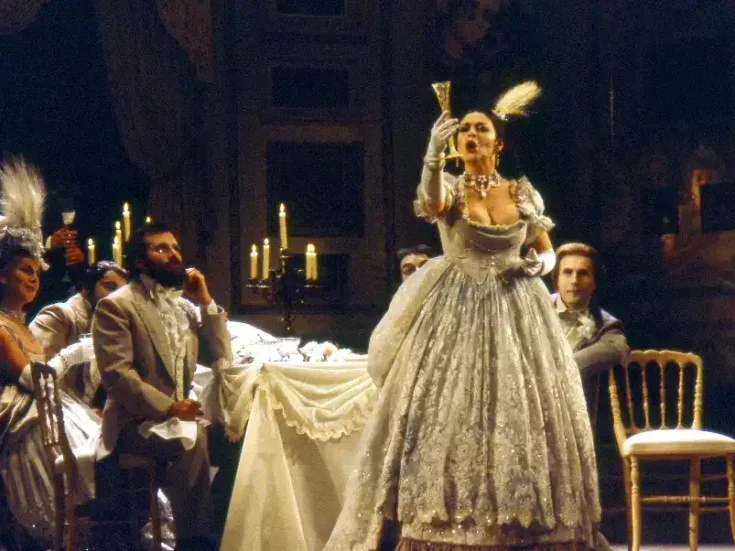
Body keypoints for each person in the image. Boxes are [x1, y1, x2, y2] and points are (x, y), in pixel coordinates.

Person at [325, 82, 600, 551]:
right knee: (449, 414)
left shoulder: (522, 192)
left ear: (499, 142)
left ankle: (520, 525)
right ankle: (446, 526)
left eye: (481, 128)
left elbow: (545, 248)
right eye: (465, 129)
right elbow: (430, 203)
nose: (472, 134)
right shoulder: (449, 188)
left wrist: (541, 265)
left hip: (518, 310)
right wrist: (433, 153)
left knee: (522, 415)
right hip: (456, 311)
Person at [92, 222, 232, 551]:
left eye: (176, 249)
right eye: (161, 249)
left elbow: (222, 352)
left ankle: (228, 532)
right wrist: (169, 407)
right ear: (141, 261)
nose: (173, 255)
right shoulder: (117, 305)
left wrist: (206, 300)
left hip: (179, 418)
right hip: (133, 422)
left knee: (234, 437)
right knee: (192, 442)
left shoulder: (183, 306)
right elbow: (118, 374)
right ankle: (195, 543)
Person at [0, 157, 100, 546]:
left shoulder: (24, 325)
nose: (33, 278)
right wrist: (77, 355)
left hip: (43, 403)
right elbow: (31, 378)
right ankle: (61, 524)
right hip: (21, 415)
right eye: (25, 269)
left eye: (38, 273)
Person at [30, 261, 128, 407]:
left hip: (79, 411)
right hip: (47, 409)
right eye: (110, 287)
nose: (117, 296)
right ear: (86, 287)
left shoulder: (109, 327)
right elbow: (36, 376)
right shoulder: (60, 314)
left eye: (122, 292)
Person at [552, 243, 629, 380]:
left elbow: (618, 348)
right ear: (556, 279)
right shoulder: (534, 310)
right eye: (567, 272)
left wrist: (558, 372)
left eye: (583, 273)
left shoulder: (607, 325)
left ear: (594, 282)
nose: (574, 281)